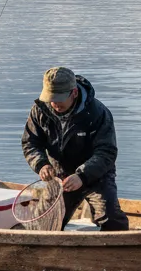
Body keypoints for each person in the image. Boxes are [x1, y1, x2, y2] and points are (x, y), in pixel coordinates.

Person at [22, 66, 129, 232]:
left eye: (59, 98)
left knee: (111, 219)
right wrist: (41, 164)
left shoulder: (98, 113)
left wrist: (82, 176)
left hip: (95, 175)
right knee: (43, 226)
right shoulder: (39, 110)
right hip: (59, 177)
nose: (54, 102)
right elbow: (30, 143)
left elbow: (106, 152)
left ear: (74, 93)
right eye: (51, 97)